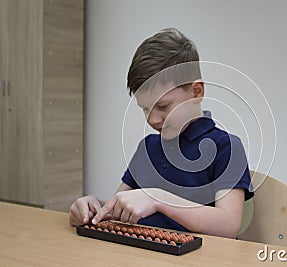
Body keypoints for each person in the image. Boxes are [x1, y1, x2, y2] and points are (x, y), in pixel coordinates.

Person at [69, 28, 253, 238]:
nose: (152, 119)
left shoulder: (227, 146)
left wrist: (158, 200)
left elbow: (228, 225)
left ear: (196, 92)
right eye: (145, 109)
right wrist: (92, 210)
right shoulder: (148, 147)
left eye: (163, 107)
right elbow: (118, 209)